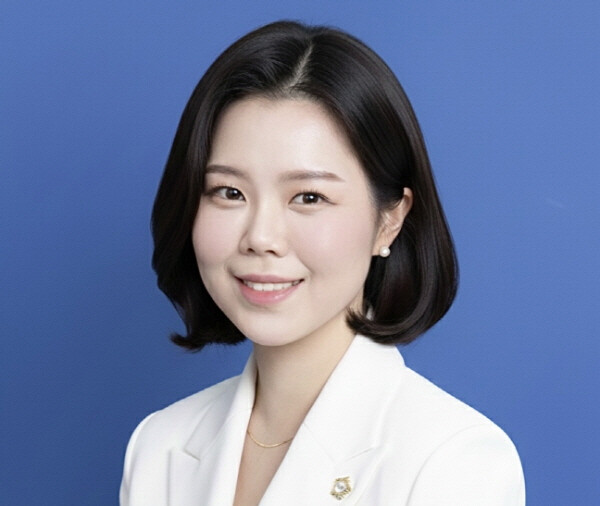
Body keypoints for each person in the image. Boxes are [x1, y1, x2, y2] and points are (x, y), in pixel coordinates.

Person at [120, 20, 525, 506]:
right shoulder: (159, 445)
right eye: (229, 192)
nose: (261, 238)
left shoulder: (453, 462)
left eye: (308, 197)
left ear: (390, 220)